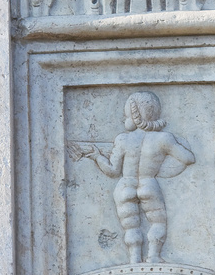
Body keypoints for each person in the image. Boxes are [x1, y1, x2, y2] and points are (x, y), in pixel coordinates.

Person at [76, 91, 195, 263]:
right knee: (158, 223)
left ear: (134, 114)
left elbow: (112, 171)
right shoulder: (164, 138)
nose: (123, 119)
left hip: (125, 186)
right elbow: (188, 158)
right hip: (148, 184)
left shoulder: (123, 139)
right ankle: (153, 256)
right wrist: (165, 165)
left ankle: (134, 259)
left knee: (130, 226)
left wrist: (97, 156)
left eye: (126, 115)